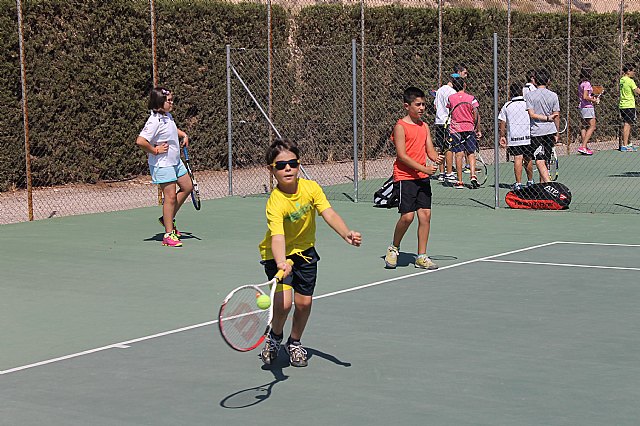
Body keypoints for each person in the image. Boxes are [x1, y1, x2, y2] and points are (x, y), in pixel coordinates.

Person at [258, 138, 361, 367]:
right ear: (271, 170)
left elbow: (329, 213)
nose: (287, 168)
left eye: (292, 164)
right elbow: (277, 236)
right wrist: (281, 261)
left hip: (305, 253)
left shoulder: (311, 188)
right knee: (284, 304)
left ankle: (294, 342)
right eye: (281, 165)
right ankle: (275, 338)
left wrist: (346, 233)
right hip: (277, 255)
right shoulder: (275, 202)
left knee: (304, 304)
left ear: (298, 165)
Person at [384, 87, 442, 270]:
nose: (422, 108)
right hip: (405, 177)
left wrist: (435, 157)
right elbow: (402, 156)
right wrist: (424, 168)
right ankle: (394, 248)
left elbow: (429, 150)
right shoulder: (400, 127)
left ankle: (421, 256)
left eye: (424, 104)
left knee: (425, 215)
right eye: (418, 104)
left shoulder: (424, 126)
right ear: (406, 106)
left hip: (422, 177)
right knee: (407, 217)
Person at [136, 87, 192, 247]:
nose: (172, 102)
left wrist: (183, 134)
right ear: (159, 103)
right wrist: (155, 150)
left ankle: (167, 217)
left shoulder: (167, 116)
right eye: (169, 101)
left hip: (175, 161)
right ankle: (168, 234)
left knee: (187, 187)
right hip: (162, 164)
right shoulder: (154, 121)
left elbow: (171, 128)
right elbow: (140, 141)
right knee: (171, 197)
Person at [446, 77, 482, 189]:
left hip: (455, 129)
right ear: (464, 85)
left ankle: (460, 181)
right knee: (471, 152)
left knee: (459, 154)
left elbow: (450, 111)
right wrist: (477, 129)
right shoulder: (471, 98)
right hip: (469, 128)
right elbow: (476, 114)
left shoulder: (450, 98)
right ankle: (473, 175)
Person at [525, 69, 560, 183]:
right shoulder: (553, 95)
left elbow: (531, 114)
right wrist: (556, 132)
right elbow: (556, 116)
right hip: (549, 131)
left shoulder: (530, 96)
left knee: (539, 159)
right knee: (544, 160)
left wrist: (547, 119)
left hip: (536, 132)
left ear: (534, 81)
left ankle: (546, 185)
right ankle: (544, 186)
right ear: (548, 81)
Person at [499, 82, 534, 190]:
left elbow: (502, 122)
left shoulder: (507, 105)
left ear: (510, 93)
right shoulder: (528, 104)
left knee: (518, 158)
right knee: (528, 158)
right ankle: (530, 181)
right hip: (527, 136)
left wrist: (502, 136)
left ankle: (518, 184)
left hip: (514, 137)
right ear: (521, 92)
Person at [433, 73, 458, 183]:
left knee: (440, 147)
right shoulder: (453, 92)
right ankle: (449, 173)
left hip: (438, 122)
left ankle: (441, 173)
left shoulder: (439, 91)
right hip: (447, 122)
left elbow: (435, 106)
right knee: (449, 147)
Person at [619, 63, 640, 152]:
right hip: (629, 105)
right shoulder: (630, 81)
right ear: (628, 71)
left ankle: (628, 143)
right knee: (627, 125)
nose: (634, 73)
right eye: (633, 71)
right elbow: (637, 91)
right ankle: (624, 145)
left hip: (623, 105)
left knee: (628, 124)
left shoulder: (622, 80)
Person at [577, 68, 599, 155]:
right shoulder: (587, 84)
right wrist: (594, 100)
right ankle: (583, 146)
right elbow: (585, 96)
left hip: (582, 107)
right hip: (587, 107)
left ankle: (584, 147)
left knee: (584, 126)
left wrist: (592, 97)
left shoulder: (581, 84)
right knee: (592, 126)